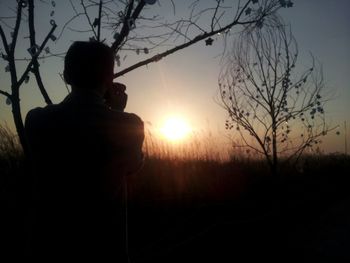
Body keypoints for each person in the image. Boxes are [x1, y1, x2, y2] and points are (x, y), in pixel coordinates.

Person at [24, 41, 144, 261]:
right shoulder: (130, 125)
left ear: (66, 76)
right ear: (109, 78)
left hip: (49, 249)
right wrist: (117, 112)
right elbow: (133, 165)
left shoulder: (36, 120)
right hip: (105, 252)